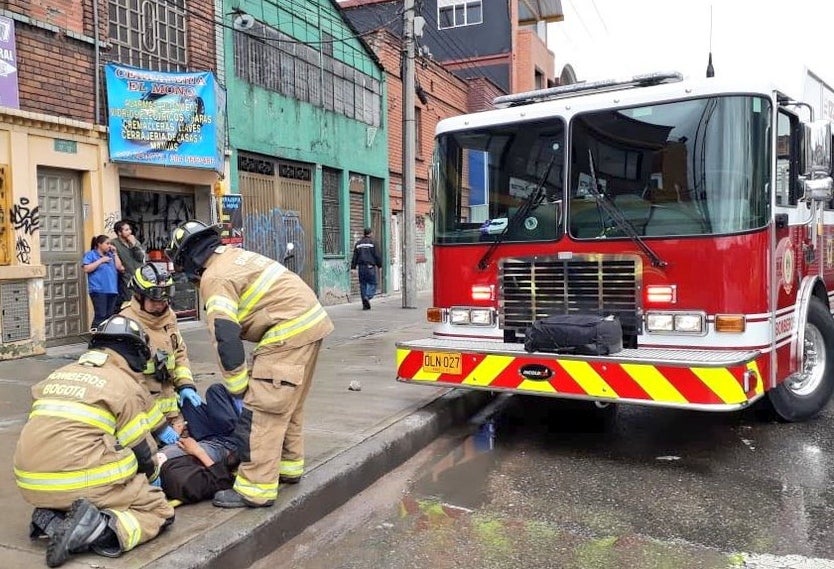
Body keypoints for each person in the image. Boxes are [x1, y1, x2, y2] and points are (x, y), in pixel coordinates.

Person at [165, 220, 334, 508]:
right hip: (310, 324)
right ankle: (288, 467)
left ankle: (255, 488)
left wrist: (239, 387)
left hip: (286, 332)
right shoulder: (235, 257)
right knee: (288, 404)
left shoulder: (214, 278)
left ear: (189, 259)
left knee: (263, 413)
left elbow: (225, 335)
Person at [13, 314, 175, 568]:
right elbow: (142, 451)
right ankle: (99, 529)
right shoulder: (125, 383)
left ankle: (56, 518)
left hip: (30, 482)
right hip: (80, 481)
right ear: (135, 353)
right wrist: (153, 478)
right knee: (157, 509)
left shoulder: (59, 374)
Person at [119, 262, 201, 445]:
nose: (161, 305)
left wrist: (185, 385)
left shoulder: (169, 316)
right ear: (139, 296)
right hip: (145, 416)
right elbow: (129, 384)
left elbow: (179, 353)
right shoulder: (125, 323)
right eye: (155, 300)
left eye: (165, 300)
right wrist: (158, 426)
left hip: (172, 408)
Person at [156, 383, 242, 505]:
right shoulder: (183, 484)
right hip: (229, 445)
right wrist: (197, 451)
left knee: (187, 399)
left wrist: (177, 433)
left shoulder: (148, 461)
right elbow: (224, 481)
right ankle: (244, 423)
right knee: (216, 392)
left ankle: (239, 418)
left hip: (203, 437)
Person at [82, 235, 124, 330]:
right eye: (107, 243)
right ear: (99, 244)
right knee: (100, 315)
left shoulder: (110, 255)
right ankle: (94, 336)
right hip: (98, 290)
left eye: (110, 244)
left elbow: (119, 267)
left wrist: (115, 253)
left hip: (112, 290)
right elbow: (86, 268)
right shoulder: (91, 254)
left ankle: (106, 336)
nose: (109, 246)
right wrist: (100, 261)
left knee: (109, 316)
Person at [112, 220, 146, 304]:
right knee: (129, 302)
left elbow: (141, 258)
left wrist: (134, 245)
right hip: (126, 278)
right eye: (126, 230)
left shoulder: (135, 241)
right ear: (119, 232)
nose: (130, 232)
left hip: (140, 276)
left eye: (129, 229)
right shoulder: (114, 243)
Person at [351, 227, 382, 310]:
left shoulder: (358, 243)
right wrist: (380, 265)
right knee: (373, 284)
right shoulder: (373, 243)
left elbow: (355, 256)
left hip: (361, 267)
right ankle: (367, 297)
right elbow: (377, 255)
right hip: (370, 267)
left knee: (363, 285)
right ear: (370, 233)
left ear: (364, 233)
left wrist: (353, 267)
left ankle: (365, 305)